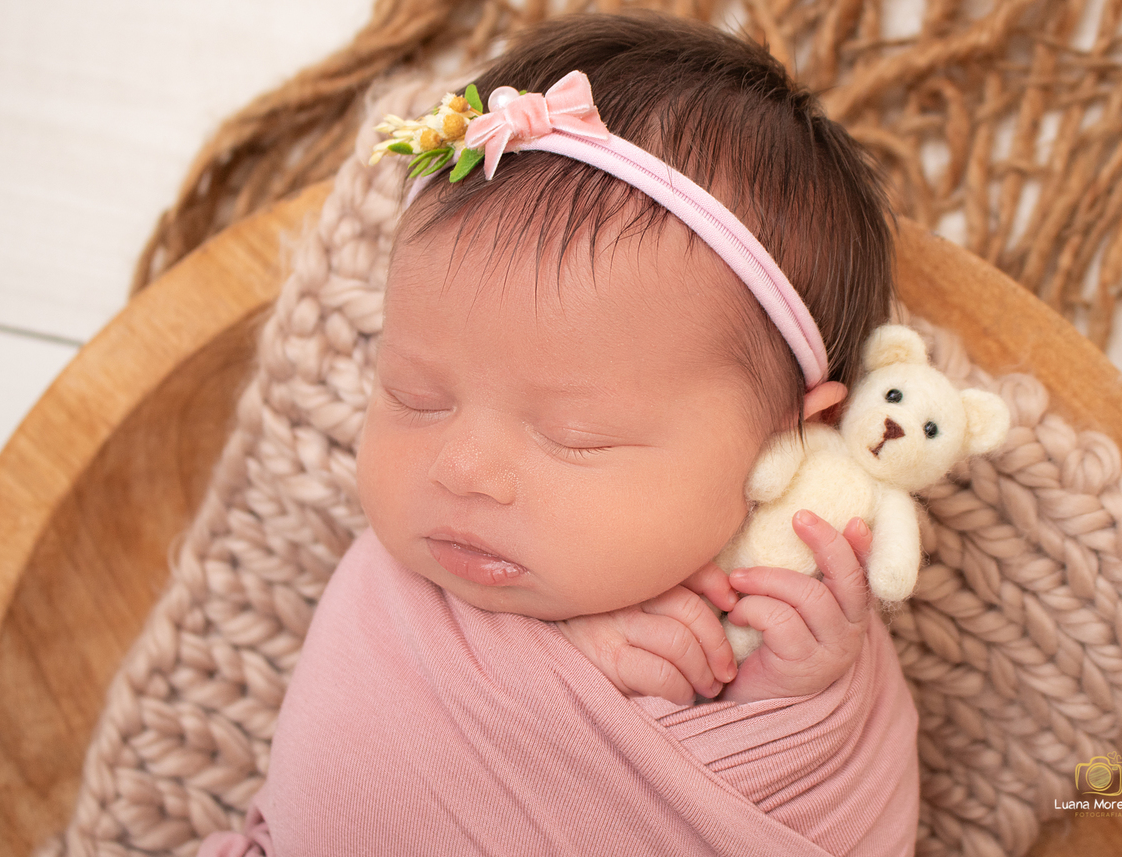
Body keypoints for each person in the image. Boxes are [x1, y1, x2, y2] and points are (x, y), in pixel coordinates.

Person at [200, 12, 918, 857]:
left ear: (793, 437)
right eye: (415, 395)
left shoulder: (801, 629)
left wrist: (791, 699)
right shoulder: (405, 599)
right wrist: (553, 671)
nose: (462, 470)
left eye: (576, 435)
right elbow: (342, 773)